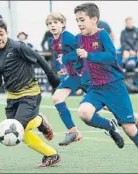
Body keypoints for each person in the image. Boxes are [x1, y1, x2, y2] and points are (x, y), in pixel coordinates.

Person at [61, 3, 138, 173]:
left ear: (94, 19)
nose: (79, 23)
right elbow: (78, 61)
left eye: (82, 19)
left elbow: (111, 56)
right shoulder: (78, 38)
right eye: (77, 20)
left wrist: (89, 55)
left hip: (114, 87)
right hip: (95, 88)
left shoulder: (103, 35)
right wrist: (75, 70)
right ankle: (110, 126)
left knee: (130, 129)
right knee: (84, 112)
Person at [0, 17, 61, 167]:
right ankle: (50, 153)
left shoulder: (18, 47)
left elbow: (39, 59)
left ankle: (39, 122)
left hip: (29, 93)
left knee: (17, 127)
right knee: (19, 132)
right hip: (12, 97)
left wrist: (53, 78)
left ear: (6, 33)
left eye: (1, 34)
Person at [45, 12, 82, 146]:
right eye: (50, 23)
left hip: (83, 74)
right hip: (72, 76)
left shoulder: (68, 37)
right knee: (57, 98)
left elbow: (79, 52)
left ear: (63, 24)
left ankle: (134, 119)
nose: (52, 25)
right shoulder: (52, 40)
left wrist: (65, 59)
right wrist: (58, 67)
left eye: (55, 22)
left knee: (105, 104)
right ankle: (73, 131)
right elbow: (57, 56)